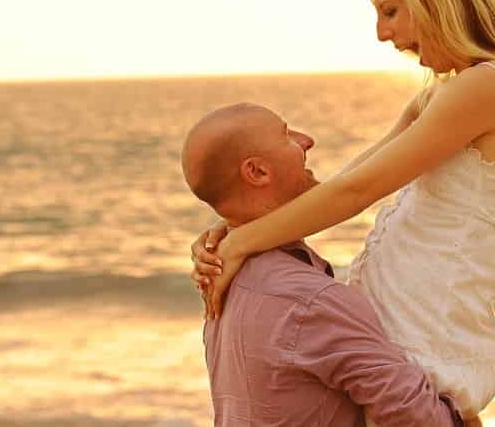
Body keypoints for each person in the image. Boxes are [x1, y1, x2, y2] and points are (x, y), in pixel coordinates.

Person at [192, 0, 495, 421]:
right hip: (403, 329)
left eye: (391, 11)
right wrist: (232, 232)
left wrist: (241, 245)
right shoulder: (445, 92)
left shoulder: (491, 84)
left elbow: (357, 190)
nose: (381, 33)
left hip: (428, 339)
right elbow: (347, 181)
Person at [180, 102, 469, 427]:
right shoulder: (309, 300)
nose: (307, 140)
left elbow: (348, 184)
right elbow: (418, 418)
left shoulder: (223, 281)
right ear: (257, 172)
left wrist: (414, 115)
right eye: (286, 134)